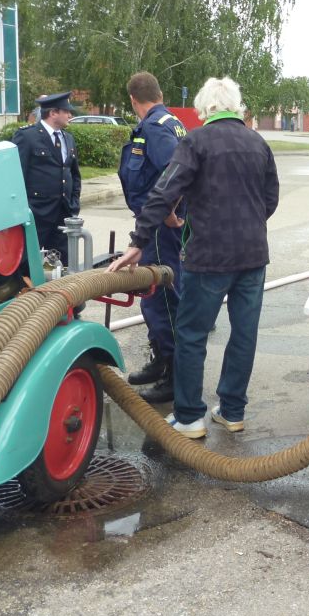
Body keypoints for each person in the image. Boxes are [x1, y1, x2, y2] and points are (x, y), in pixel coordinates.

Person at [108, 76, 278, 439]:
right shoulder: (257, 142)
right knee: (244, 334)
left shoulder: (196, 141)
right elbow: (270, 199)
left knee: (191, 335)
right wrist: (245, 225)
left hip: (208, 257)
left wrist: (139, 241)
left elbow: (164, 190)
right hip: (252, 256)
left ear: (204, 110)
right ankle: (232, 411)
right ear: (237, 106)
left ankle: (189, 416)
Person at [118, 72, 188, 403]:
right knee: (154, 296)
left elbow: (175, 171)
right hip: (157, 222)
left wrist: (169, 211)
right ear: (159, 93)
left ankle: (175, 376)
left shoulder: (156, 127)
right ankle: (161, 360)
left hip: (159, 227)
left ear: (134, 100)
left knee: (161, 298)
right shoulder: (169, 121)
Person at [12, 91, 81, 264]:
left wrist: (74, 203)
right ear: (53, 113)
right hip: (37, 214)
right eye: (66, 111)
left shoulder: (68, 138)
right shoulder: (27, 137)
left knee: (63, 264)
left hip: (63, 213)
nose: (70, 115)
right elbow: (17, 176)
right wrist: (24, 209)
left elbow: (74, 174)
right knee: (28, 264)